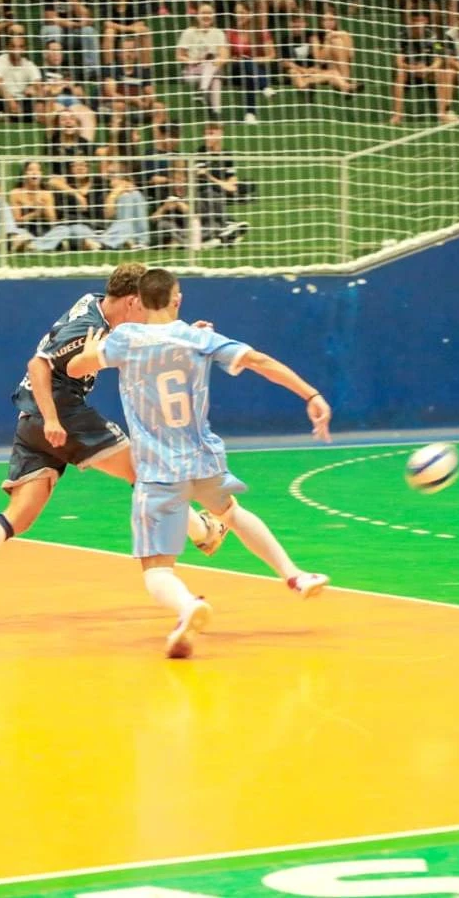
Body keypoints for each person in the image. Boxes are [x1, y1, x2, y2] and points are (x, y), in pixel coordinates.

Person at [0, 263, 227, 631]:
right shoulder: (86, 327)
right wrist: (53, 419)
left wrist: (184, 333)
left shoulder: (100, 307)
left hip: (30, 421)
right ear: (132, 301)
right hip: (60, 414)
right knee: (145, 471)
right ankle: (203, 531)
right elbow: (37, 365)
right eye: (146, 304)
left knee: (19, 515)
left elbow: (139, 339)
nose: (151, 311)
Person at [67, 266, 331, 658]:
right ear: (177, 299)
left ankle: (188, 606)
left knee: (157, 570)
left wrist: (91, 352)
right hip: (203, 461)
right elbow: (259, 361)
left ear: (140, 301)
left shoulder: (125, 339)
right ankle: (294, 576)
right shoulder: (198, 337)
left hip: (157, 470)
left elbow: (76, 369)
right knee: (231, 514)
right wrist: (311, 395)